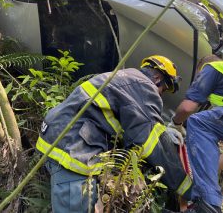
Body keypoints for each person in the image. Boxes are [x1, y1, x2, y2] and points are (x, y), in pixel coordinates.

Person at [36, 55, 192, 213]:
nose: (160, 96)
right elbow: (152, 144)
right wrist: (187, 189)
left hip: (59, 139)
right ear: (157, 77)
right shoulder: (144, 87)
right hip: (72, 149)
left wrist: (163, 129)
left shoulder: (126, 78)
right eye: (163, 90)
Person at [165, 54, 223, 213]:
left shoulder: (212, 68)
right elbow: (215, 162)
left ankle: (208, 203)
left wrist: (175, 124)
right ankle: (206, 203)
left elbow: (187, 108)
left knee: (197, 122)